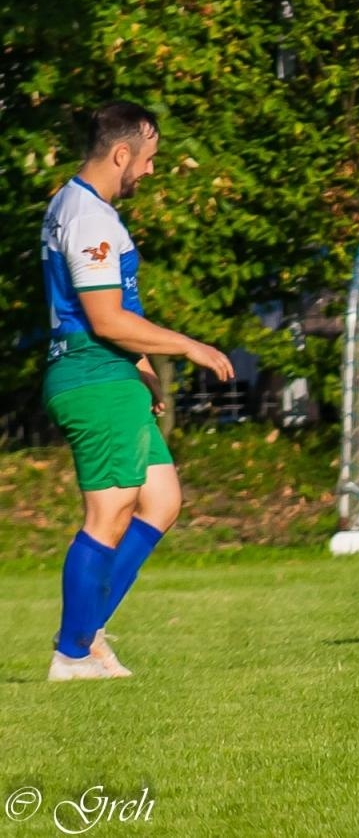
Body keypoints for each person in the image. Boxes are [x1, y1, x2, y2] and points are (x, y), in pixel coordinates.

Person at [40, 101, 234, 681]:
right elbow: (105, 319)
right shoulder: (89, 218)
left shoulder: (79, 206)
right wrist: (189, 346)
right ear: (120, 153)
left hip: (113, 372)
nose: (149, 172)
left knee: (161, 501)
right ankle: (73, 652)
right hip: (93, 374)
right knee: (110, 510)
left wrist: (145, 364)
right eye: (147, 160)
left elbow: (117, 310)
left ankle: (86, 632)